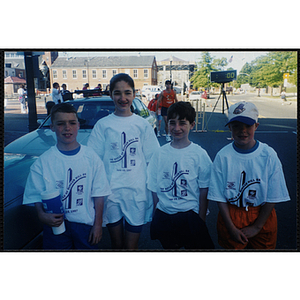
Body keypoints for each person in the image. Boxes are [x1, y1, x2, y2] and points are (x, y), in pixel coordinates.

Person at [23, 103, 111, 250]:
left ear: (78, 125)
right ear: (52, 127)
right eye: (60, 124)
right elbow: (35, 195)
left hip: (85, 225)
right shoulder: (43, 162)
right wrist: (41, 215)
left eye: (71, 123)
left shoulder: (91, 158)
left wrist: (98, 225)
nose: (67, 128)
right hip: (55, 226)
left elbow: (99, 194)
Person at [88, 73, 160, 250]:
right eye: (118, 93)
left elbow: (154, 160)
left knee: (130, 247)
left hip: (136, 192)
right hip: (111, 193)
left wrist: (156, 196)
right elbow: (93, 160)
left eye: (127, 93)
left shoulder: (142, 124)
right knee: (117, 245)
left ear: (134, 94)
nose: (123, 98)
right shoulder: (103, 125)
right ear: (111, 94)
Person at [207, 101, 290, 249]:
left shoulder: (268, 155)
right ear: (230, 128)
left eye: (248, 126)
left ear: (256, 126)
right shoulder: (223, 156)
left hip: (261, 214)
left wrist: (258, 226)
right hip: (231, 215)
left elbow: (273, 194)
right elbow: (218, 196)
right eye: (237, 126)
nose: (242, 130)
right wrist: (231, 227)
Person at [147, 101, 214, 249]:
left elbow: (204, 188)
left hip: (190, 215)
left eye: (182, 123)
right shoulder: (159, 153)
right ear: (167, 124)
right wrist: (156, 214)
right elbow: (153, 186)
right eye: (172, 123)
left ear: (192, 125)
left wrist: (201, 219)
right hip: (165, 214)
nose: (176, 128)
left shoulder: (199, 154)